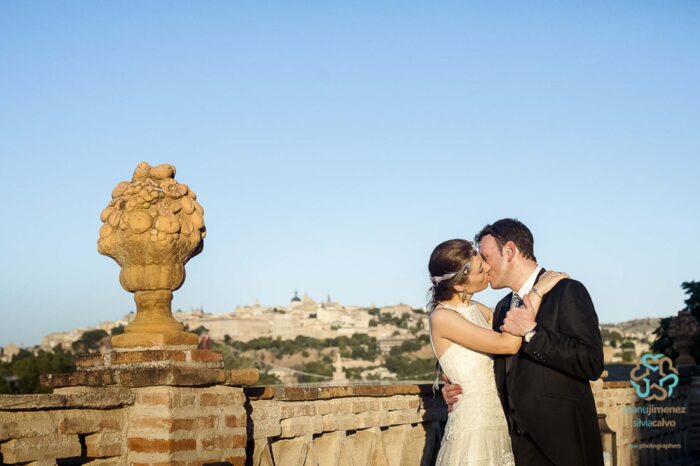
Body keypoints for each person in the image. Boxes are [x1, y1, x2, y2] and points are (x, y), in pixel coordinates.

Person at [441, 219, 605, 466]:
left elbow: (591, 362)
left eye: (486, 257)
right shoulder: (502, 307)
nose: (484, 266)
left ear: (509, 251)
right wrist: (455, 385)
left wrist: (532, 333)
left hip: (563, 448)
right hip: (515, 449)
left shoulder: (566, 291)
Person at [427, 239, 567, 466]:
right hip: (474, 428)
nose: (487, 268)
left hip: (497, 423)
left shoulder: (478, 310)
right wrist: (538, 291)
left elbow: (507, 332)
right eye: (480, 269)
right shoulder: (442, 317)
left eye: (484, 261)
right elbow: (508, 344)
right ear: (460, 285)